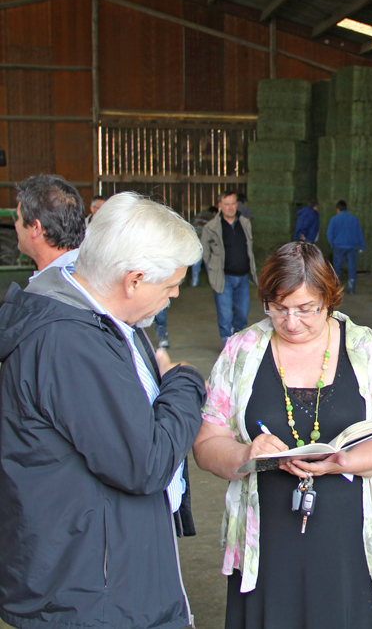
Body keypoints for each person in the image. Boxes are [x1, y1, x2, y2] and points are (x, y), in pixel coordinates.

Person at [0, 192, 205, 629]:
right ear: (133, 281)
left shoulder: (102, 320)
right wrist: (185, 383)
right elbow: (144, 462)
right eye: (170, 286)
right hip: (91, 594)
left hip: (104, 569)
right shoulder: (71, 343)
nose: (173, 296)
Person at [193, 241, 372, 629]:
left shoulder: (367, 350)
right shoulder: (241, 351)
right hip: (267, 544)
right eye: (279, 308)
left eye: (305, 309)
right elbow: (206, 444)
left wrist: (345, 461)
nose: (291, 322)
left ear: (328, 299)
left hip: (352, 542)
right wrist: (245, 454)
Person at [201, 191, 257, 346]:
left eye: (233, 204)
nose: (230, 207)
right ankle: (227, 344)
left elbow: (249, 246)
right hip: (223, 278)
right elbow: (205, 252)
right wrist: (213, 269)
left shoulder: (245, 223)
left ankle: (238, 343)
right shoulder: (211, 227)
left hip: (243, 277)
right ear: (220, 206)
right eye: (227, 204)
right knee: (225, 314)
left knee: (242, 312)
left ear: (237, 204)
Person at [13, 174, 85, 281]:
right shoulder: (89, 273)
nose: (16, 225)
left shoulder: (57, 286)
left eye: (19, 218)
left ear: (36, 228)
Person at [327, 200, 365, 294]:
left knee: (337, 267)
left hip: (338, 246)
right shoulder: (354, 219)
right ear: (346, 208)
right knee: (352, 268)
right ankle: (351, 289)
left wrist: (332, 243)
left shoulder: (334, 219)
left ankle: (337, 289)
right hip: (351, 247)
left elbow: (330, 233)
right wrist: (362, 246)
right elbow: (359, 234)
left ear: (338, 209)